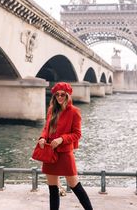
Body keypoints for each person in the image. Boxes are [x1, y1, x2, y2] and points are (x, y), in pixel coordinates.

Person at [38, 81, 93, 210]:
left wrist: (62, 139)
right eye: (57, 95)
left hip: (65, 153)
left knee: (75, 185)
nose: (60, 97)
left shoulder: (74, 111)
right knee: (52, 188)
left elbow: (77, 134)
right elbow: (46, 128)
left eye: (63, 94)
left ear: (68, 95)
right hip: (50, 151)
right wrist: (42, 138)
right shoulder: (51, 109)